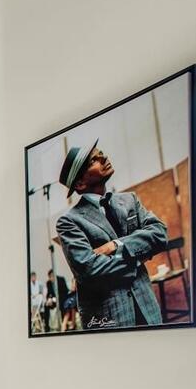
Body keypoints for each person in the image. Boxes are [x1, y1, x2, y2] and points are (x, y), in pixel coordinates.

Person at [55, 140, 169, 329]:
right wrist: (139, 255)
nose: (103, 158)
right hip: (108, 321)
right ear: (80, 183)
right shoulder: (69, 221)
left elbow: (159, 233)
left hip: (148, 310)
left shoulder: (129, 200)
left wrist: (116, 246)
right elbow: (89, 270)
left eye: (101, 154)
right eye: (94, 160)